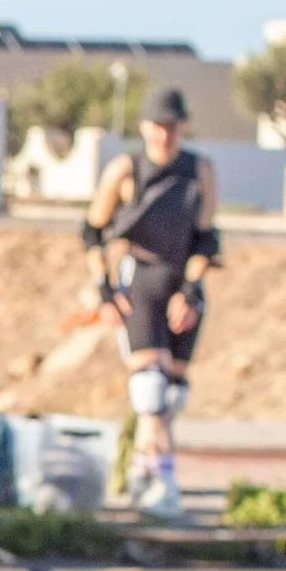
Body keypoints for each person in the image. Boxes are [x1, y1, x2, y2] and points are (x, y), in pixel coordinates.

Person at [85, 85, 219, 520]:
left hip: (182, 280)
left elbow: (205, 238)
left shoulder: (199, 170)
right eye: (158, 126)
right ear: (145, 127)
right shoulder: (126, 169)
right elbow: (93, 230)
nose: (165, 135)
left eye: (173, 127)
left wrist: (191, 290)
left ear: (183, 127)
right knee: (150, 387)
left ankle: (145, 469)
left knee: (174, 392)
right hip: (139, 277)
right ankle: (159, 477)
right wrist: (104, 288)